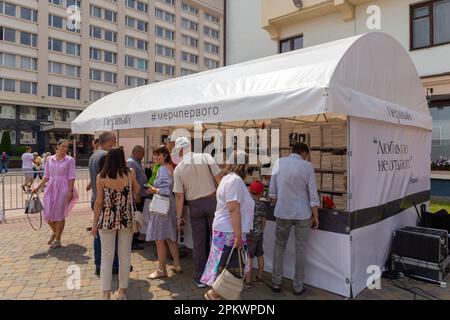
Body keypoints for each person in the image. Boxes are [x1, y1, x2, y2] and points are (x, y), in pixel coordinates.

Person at [268, 142, 320, 295]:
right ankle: (298, 286)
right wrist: (315, 215)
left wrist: (278, 199)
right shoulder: (307, 166)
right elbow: (313, 194)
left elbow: (272, 192)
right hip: (303, 214)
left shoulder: (279, 162)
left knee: (279, 246)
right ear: (304, 153)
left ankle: (276, 282)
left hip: (283, 211)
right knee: (301, 249)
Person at [201, 151, 254, 300]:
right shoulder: (235, 181)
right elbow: (233, 208)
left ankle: (220, 293)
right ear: (243, 164)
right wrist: (238, 235)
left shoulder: (227, 179)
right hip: (229, 231)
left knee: (226, 263)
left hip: (226, 229)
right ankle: (216, 293)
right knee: (229, 265)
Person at [91, 147, 140, 300]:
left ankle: (106, 294)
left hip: (106, 219)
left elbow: (98, 203)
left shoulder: (102, 177)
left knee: (106, 256)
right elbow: (137, 191)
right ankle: (122, 291)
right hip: (126, 218)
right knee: (125, 255)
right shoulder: (130, 173)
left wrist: (94, 224)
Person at [173, 137, 222, 288]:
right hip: (212, 201)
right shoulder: (206, 157)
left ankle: (201, 276)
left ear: (180, 150)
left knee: (199, 242)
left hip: (195, 206)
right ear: (190, 146)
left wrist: (178, 216)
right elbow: (220, 180)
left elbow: (179, 196)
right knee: (216, 240)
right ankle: (215, 275)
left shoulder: (178, 168)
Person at [32, 140, 79, 248]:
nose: (65, 149)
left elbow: (71, 176)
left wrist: (70, 191)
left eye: (67, 147)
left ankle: (58, 240)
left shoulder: (70, 160)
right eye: (63, 146)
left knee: (60, 214)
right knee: (47, 213)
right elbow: (46, 176)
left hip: (63, 188)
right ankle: (55, 232)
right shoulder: (49, 159)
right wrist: (38, 188)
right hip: (50, 187)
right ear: (57, 146)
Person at [145, 145, 181, 279]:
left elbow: (166, 190)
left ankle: (161, 270)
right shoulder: (169, 167)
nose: (155, 157)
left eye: (158, 155)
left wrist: (153, 190)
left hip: (162, 206)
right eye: (154, 155)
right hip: (168, 205)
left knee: (159, 238)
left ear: (165, 155)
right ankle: (176, 265)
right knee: (169, 237)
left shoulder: (163, 169)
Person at [88, 131, 120, 276]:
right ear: (108, 141)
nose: (115, 143)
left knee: (100, 235)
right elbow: (109, 180)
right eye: (114, 140)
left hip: (96, 199)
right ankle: (109, 265)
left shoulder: (94, 155)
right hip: (104, 202)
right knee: (108, 236)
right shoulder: (105, 156)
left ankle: (100, 264)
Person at [243, 180, 267, 288]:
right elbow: (263, 221)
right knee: (260, 255)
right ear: (261, 192)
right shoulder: (262, 205)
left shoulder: (247, 203)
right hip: (259, 233)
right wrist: (261, 229)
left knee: (249, 257)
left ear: (250, 190)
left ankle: (248, 280)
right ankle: (260, 277)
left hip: (249, 233)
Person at [126, 145, 147, 250]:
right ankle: (132, 241)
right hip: (137, 196)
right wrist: (136, 194)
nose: (143, 155)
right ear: (136, 152)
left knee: (138, 217)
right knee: (135, 218)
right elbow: (131, 181)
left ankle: (136, 237)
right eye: (142, 153)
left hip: (141, 194)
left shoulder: (136, 162)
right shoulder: (131, 162)